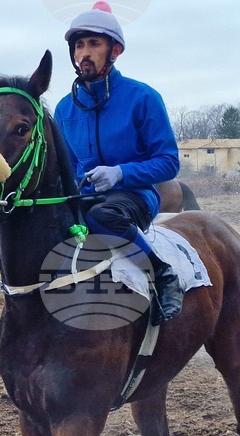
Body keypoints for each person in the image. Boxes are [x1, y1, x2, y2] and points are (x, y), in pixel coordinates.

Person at [54, 1, 182, 326]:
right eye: (79, 45)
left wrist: (121, 173)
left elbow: (168, 163)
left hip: (135, 196)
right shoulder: (64, 109)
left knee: (102, 215)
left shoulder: (142, 98)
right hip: (85, 196)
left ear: (115, 50)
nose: (84, 52)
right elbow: (65, 170)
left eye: (94, 44)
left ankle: (162, 273)